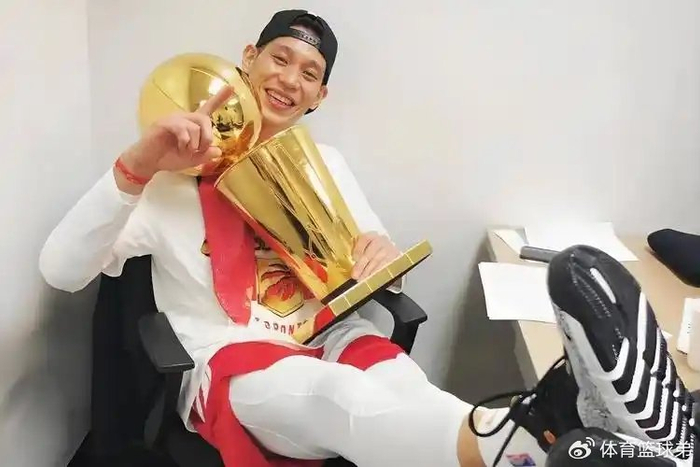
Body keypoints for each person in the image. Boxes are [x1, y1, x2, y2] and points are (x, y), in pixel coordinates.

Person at [39, 9, 697, 467]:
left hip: (334, 332)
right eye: (280, 58)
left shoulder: (323, 169)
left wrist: (383, 258)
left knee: (410, 391)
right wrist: (139, 164)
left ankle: (563, 427)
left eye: (309, 72)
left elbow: (375, 257)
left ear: (319, 96)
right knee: (341, 397)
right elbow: (61, 270)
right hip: (232, 361)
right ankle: (532, 438)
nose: (289, 79)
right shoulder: (166, 181)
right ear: (249, 59)